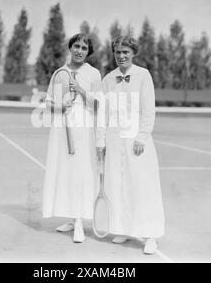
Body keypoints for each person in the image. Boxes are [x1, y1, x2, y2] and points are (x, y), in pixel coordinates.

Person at [96, 35, 165, 254]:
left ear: (133, 53)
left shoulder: (143, 75)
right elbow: (103, 114)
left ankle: (150, 235)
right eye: (117, 52)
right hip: (115, 141)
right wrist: (100, 141)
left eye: (126, 52)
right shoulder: (108, 79)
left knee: (143, 186)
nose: (121, 56)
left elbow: (148, 110)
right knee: (118, 185)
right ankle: (124, 229)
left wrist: (142, 137)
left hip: (137, 142)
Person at [42, 33, 102, 243]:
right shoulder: (59, 73)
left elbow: (98, 105)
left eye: (84, 48)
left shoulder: (94, 74)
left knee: (80, 173)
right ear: (70, 47)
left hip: (83, 130)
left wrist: (81, 91)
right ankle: (71, 216)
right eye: (76, 46)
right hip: (62, 130)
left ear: (88, 52)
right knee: (66, 172)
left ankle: (79, 222)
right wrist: (60, 107)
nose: (79, 51)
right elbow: (47, 102)